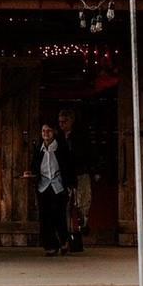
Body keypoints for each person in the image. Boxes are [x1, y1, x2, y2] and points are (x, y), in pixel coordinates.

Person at [29, 123, 74, 256]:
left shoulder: (61, 148)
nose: (46, 133)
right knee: (45, 216)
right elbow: (35, 166)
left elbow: (69, 167)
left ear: (54, 132)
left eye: (48, 131)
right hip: (43, 186)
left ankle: (64, 242)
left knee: (59, 215)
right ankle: (50, 245)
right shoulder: (39, 148)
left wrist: (70, 185)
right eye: (43, 131)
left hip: (58, 186)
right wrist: (31, 173)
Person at [57, 108, 93, 251]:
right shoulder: (58, 137)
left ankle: (81, 227)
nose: (62, 124)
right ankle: (67, 237)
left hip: (80, 172)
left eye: (64, 121)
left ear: (71, 121)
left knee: (82, 203)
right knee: (65, 206)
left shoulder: (80, 136)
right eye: (60, 122)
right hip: (64, 175)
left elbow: (89, 153)